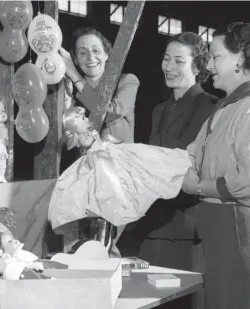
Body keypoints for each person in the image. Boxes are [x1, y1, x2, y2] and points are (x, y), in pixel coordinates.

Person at [182, 22, 250, 309]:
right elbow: (191, 156)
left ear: (239, 58)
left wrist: (198, 186)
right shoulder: (224, 109)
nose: (209, 64)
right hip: (219, 237)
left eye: (216, 56)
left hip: (241, 236)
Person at [119, 32, 217, 271]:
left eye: (179, 61)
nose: (169, 66)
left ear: (198, 66)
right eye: (166, 58)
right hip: (154, 222)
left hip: (186, 223)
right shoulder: (159, 110)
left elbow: (184, 162)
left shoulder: (211, 106)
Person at [48, 106, 191, 254]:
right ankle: (96, 249)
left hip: (104, 165)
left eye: (84, 117)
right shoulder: (81, 137)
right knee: (94, 208)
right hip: (95, 168)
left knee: (109, 206)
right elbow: (81, 148)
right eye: (82, 119)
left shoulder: (92, 132)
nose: (86, 119)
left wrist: (100, 145)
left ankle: (104, 247)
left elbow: (100, 145)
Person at [58, 26, 140, 255]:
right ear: (75, 58)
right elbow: (64, 135)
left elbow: (112, 110)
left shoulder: (127, 81)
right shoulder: (69, 89)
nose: (90, 57)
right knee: (79, 249)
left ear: (107, 54)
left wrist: (74, 75)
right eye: (82, 52)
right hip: (84, 178)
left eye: (95, 50)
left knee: (104, 246)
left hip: (117, 177)